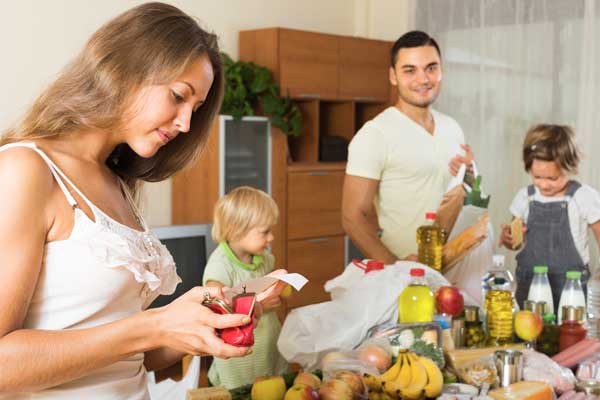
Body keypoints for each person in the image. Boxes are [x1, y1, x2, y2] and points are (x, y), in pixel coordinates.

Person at [0, 3, 279, 399]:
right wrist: (156, 324)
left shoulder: (117, 183)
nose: (185, 124)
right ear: (125, 70)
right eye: (178, 97)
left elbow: (130, 359)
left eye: (195, 109)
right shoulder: (26, 168)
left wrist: (201, 321)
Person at [342, 30, 473, 264]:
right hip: (406, 273)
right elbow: (353, 217)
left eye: (431, 68)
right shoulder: (375, 134)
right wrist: (396, 267)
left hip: (456, 265)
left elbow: (462, 191)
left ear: (441, 71)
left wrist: (470, 174)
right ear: (393, 76)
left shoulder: (453, 128)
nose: (423, 80)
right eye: (410, 70)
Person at [500, 124, 600, 311]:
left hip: (570, 287)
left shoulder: (583, 197)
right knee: (528, 333)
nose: (544, 185)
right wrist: (509, 239)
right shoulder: (525, 197)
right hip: (529, 286)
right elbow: (516, 244)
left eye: (553, 178)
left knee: (569, 334)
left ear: (572, 167)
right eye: (537, 176)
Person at [202, 186, 289, 389]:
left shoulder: (265, 259)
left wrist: (282, 293)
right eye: (264, 232)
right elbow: (217, 309)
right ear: (236, 230)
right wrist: (263, 306)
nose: (271, 238)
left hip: (268, 349)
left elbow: (274, 293)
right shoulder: (220, 265)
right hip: (238, 362)